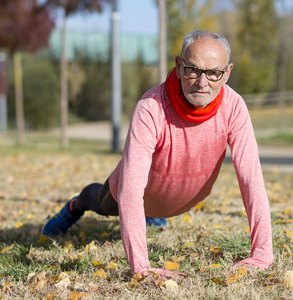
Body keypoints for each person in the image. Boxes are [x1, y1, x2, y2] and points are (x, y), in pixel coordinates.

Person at [42, 30, 273, 278]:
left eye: (213, 73)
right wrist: (142, 268)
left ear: (226, 74)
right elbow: (130, 189)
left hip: (184, 198)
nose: (202, 82)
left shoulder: (234, 107)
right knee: (96, 199)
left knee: (150, 208)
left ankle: (151, 217)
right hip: (132, 196)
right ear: (179, 65)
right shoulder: (151, 108)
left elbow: (251, 179)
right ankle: (74, 206)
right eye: (193, 69)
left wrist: (262, 253)